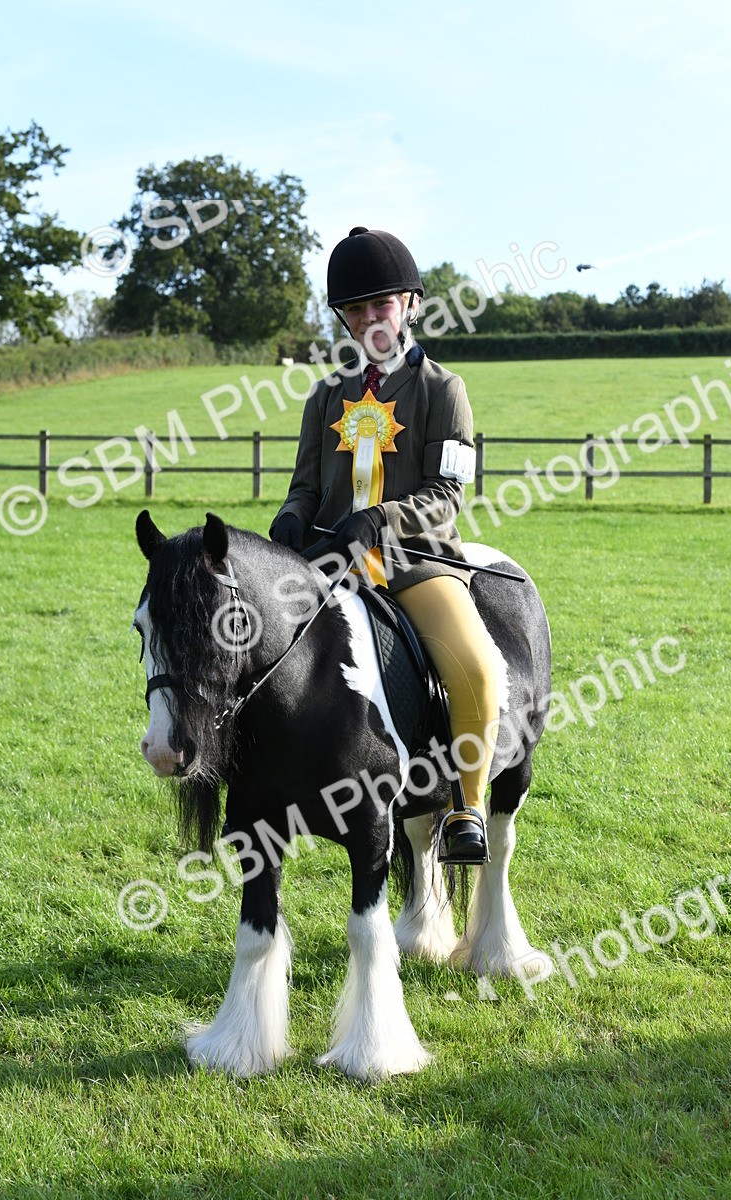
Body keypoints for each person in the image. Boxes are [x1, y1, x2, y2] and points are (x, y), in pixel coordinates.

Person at [270, 226, 499, 864]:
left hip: (415, 560)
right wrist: (291, 518)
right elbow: (304, 487)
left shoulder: (442, 390)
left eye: (382, 305)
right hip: (330, 562)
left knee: (475, 668)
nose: (371, 318)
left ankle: (467, 808)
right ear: (343, 317)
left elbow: (450, 492)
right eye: (357, 309)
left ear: (410, 305)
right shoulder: (324, 397)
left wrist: (382, 519)